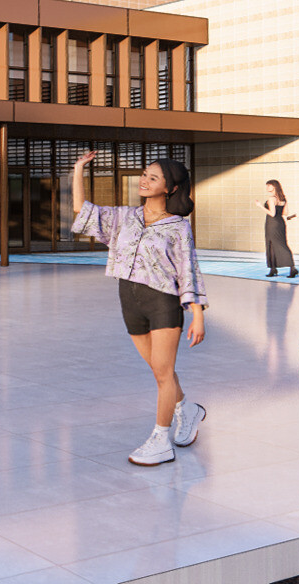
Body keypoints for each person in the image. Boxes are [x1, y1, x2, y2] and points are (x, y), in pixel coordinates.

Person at [71, 151, 207, 466]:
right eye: (144, 174)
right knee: (161, 370)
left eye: (153, 177)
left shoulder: (177, 227)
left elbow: (189, 270)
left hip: (163, 302)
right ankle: (188, 409)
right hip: (129, 299)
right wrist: (78, 169)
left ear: (171, 188)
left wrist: (197, 315)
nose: (144, 180)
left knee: (162, 373)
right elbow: (83, 210)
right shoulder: (124, 217)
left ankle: (161, 439)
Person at [256, 180, 298, 278]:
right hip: (280, 223)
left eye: (269, 186)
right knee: (281, 244)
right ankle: (280, 268)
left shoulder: (271, 198)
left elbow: (272, 214)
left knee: (271, 244)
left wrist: (260, 206)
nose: (267, 187)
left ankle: (279, 269)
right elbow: (285, 213)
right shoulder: (283, 198)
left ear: (274, 186)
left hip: (272, 223)